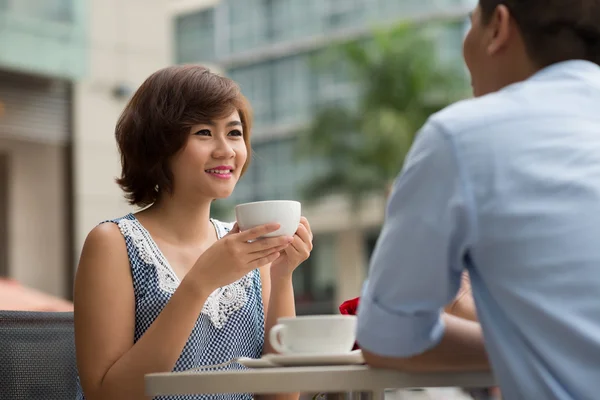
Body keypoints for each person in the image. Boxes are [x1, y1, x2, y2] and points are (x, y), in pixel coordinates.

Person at [356, 0, 600, 398]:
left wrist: (527, 348)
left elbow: (387, 338)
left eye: (468, 25)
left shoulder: (462, 137)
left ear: (498, 27)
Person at [73, 65, 313, 400]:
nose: (226, 150)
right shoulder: (114, 243)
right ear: (159, 144)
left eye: (234, 133)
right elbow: (107, 395)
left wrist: (282, 273)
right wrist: (200, 283)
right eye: (203, 132)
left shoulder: (247, 247)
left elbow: (281, 397)